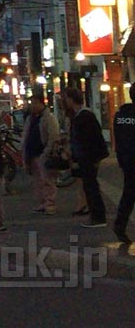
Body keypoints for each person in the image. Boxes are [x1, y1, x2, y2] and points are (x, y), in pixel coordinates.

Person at [63, 87, 108, 227]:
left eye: (66, 98)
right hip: (88, 157)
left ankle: (98, 217)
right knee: (90, 186)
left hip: (87, 158)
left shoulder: (84, 117)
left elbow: (88, 140)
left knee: (91, 186)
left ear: (71, 99)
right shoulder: (82, 116)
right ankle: (97, 216)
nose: (64, 101)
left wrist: (81, 158)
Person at [21, 89, 61, 214]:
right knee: (37, 180)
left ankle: (50, 203)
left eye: (33, 103)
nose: (31, 106)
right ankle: (42, 202)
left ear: (39, 103)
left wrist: (47, 152)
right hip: (32, 153)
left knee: (47, 180)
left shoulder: (48, 117)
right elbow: (26, 135)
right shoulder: (31, 118)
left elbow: (53, 136)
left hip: (42, 152)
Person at [112, 84, 135, 243]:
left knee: (129, 194)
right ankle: (119, 225)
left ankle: (120, 225)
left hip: (126, 160)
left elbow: (118, 139)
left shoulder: (120, 114)